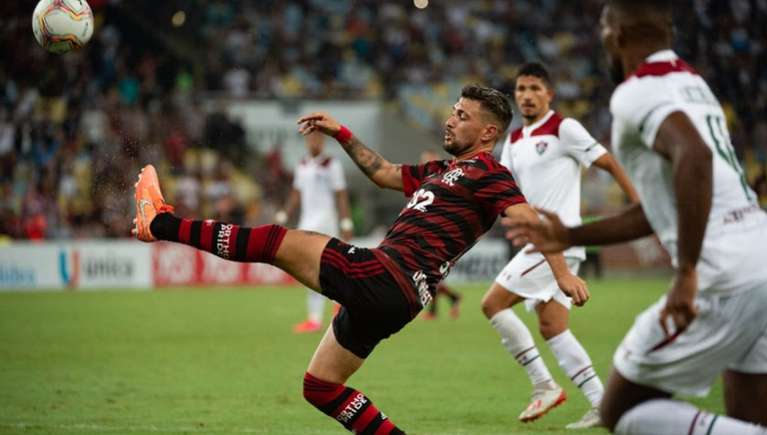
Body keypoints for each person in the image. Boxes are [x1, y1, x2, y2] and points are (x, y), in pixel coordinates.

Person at [131, 84, 590, 434]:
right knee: (321, 388)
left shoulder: (490, 172)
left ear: (488, 132)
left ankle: (162, 224)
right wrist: (343, 134)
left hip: (388, 276)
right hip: (396, 294)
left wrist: (562, 272)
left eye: (462, 116)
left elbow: (531, 220)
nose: (450, 121)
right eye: (452, 111)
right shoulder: (441, 171)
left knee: (278, 241)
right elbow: (383, 173)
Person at [507, 2, 767, 434]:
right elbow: (662, 207)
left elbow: (695, 156)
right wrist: (572, 234)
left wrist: (686, 270)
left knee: (623, 412)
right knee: (750, 418)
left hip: (722, 275)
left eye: (601, 29)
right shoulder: (691, 82)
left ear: (616, 34)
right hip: (766, 259)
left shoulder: (636, 91)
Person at [481, 62, 640, 429]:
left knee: (492, 303)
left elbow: (610, 163)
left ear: (549, 94)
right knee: (553, 326)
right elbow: (503, 191)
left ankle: (544, 385)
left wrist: (639, 207)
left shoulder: (564, 127)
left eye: (535, 88)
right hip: (537, 243)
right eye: (521, 89)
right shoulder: (515, 141)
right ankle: (604, 405)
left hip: (559, 241)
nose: (527, 95)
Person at [276, 131, 353, 333]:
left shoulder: (331, 164)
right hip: (307, 221)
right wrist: (284, 215)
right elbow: (296, 193)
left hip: (326, 221)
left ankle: (335, 307)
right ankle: (317, 317)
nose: (314, 142)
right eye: (311, 139)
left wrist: (346, 222)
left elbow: (341, 194)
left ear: (323, 141)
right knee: (310, 269)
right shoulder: (302, 165)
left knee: (325, 266)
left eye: (318, 138)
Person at [416, 149, 463, 321]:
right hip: (426, 233)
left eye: (429, 161)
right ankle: (453, 298)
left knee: (430, 273)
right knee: (429, 274)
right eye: (424, 161)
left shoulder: (447, 181)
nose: (425, 164)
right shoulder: (425, 181)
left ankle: (434, 311)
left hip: (441, 236)